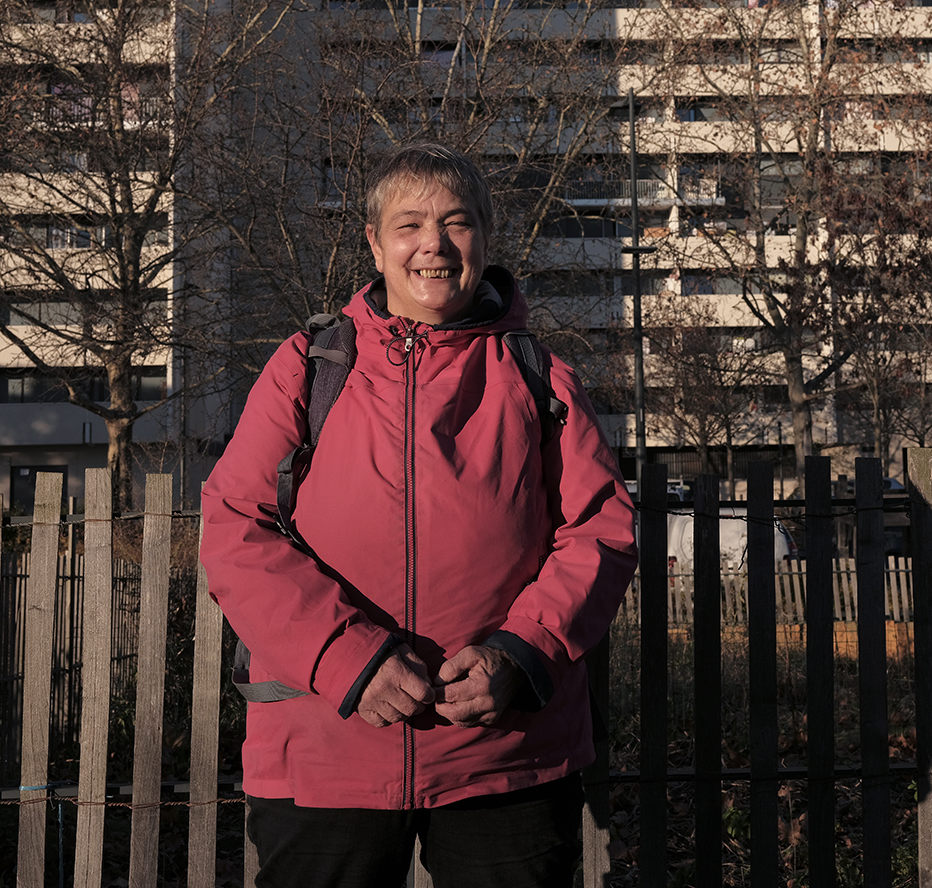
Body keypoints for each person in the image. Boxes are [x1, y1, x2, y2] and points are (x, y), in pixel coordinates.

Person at [200, 142, 637, 887]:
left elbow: (601, 530)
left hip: (504, 754)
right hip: (327, 746)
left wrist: (520, 654)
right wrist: (348, 658)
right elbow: (236, 527)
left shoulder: (540, 377)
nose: (433, 244)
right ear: (374, 243)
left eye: (456, 222)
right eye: (409, 224)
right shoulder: (308, 367)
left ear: (484, 240)